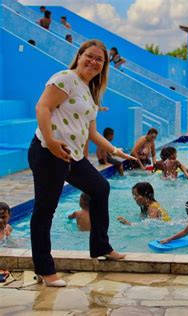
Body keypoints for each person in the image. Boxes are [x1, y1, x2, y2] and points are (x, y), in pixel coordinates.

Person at [28, 40, 133, 286]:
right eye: (90, 56)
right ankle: (45, 269)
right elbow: (42, 107)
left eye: (99, 60)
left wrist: (116, 150)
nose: (94, 62)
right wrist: (52, 142)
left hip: (72, 156)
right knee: (45, 211)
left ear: (104, 66)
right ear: (79, 55)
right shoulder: (65, 78)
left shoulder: (89, 90)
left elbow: (92, 133)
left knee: (100, 188)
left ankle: (100, 247)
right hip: (48, 152)